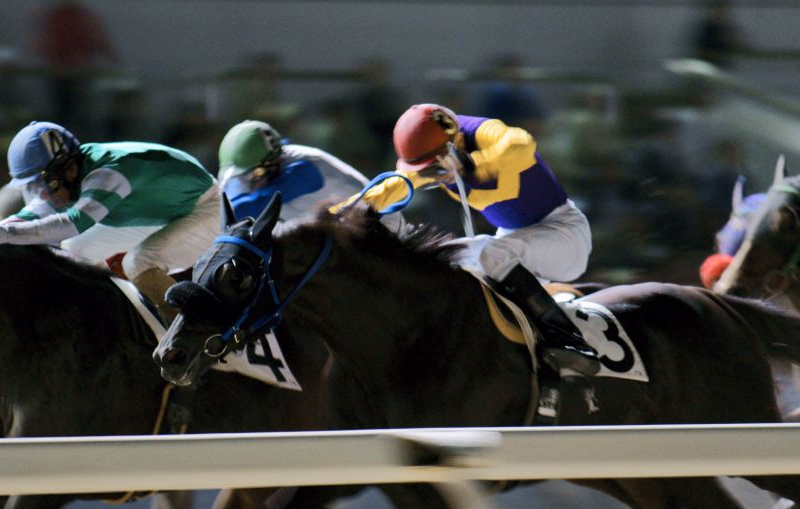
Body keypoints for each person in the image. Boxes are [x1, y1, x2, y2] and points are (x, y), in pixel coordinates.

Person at [335, 103, 598, 375]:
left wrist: (472, 164)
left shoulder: (482, 133)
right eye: (427, 170)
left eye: (436, 168)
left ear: (456, 141)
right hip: (519, 240)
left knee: (493, 254)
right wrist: (330, 217)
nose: (433, 175)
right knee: (447, 258)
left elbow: (521, 142)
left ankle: (570, 342)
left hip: (564, 233)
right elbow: (391, 188)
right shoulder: (435, 154)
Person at [0, 121, 219, 322]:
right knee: (74, 250)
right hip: (166, 212)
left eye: (42, 186)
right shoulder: (73, 173)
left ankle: (195, 332)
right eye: (33, 188)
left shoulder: (108, 174)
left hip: (208, 210)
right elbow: (34, 212)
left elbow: (70, 224)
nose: (41, 195)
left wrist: (2, 234)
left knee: (138, 262)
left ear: (70, 170)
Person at [219, 119, 402, 234]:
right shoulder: (260, 165)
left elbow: (244, 208)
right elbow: (230, 195)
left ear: (275, 160)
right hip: (337, 232)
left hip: (383, 232)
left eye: (255, 174)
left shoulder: (307, 167)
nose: (250, 183)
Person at [32, 0, 117, 135]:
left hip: (79, 72)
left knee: (79, 112)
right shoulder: (54, 17)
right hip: (59, 73)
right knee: (61, 110)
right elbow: (46, 43)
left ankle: (78, 143)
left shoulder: (83, 17)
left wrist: (112, 61)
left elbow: (96, 40)